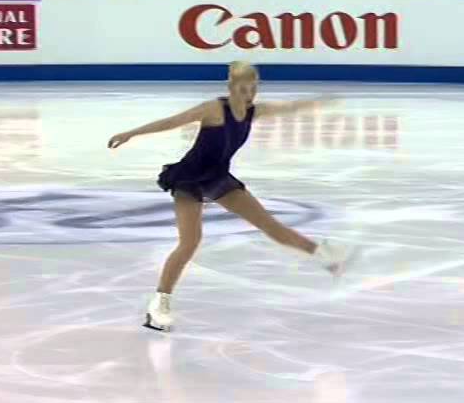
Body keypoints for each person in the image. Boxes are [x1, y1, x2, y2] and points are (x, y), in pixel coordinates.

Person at [107, 61, 356, 332]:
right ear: (231, 87)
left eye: (253, 89)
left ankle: (325, 256)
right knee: (190, 242)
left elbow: (291, 108)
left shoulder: (254, 112)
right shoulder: (214, 109)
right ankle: (159, 303)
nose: (249, 95)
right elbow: (173, 121)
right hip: (189, 179)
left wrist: (322, 100)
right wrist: (130, 134)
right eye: (243, 90)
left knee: (268, 224)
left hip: (218, 178)